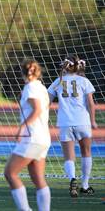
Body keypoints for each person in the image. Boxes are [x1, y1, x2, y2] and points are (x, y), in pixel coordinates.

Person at [4, 60, 51, 211]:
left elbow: (37, 109)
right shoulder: (42, 87)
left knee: (10, 173)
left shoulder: (30, 87)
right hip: (43, 137)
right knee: (38, 179)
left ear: (23, 73)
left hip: (32, 138)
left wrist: (22, 127)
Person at [47, 55, 97, 197]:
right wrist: (93, 121)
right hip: (82, 121)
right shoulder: (84, 81)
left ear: (64, 66)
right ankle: (85, 185)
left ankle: (72, 179)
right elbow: (91, 104)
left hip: (64, 122)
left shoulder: (58, 81)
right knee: (86, 152)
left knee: (69, 156)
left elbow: (47, 101)